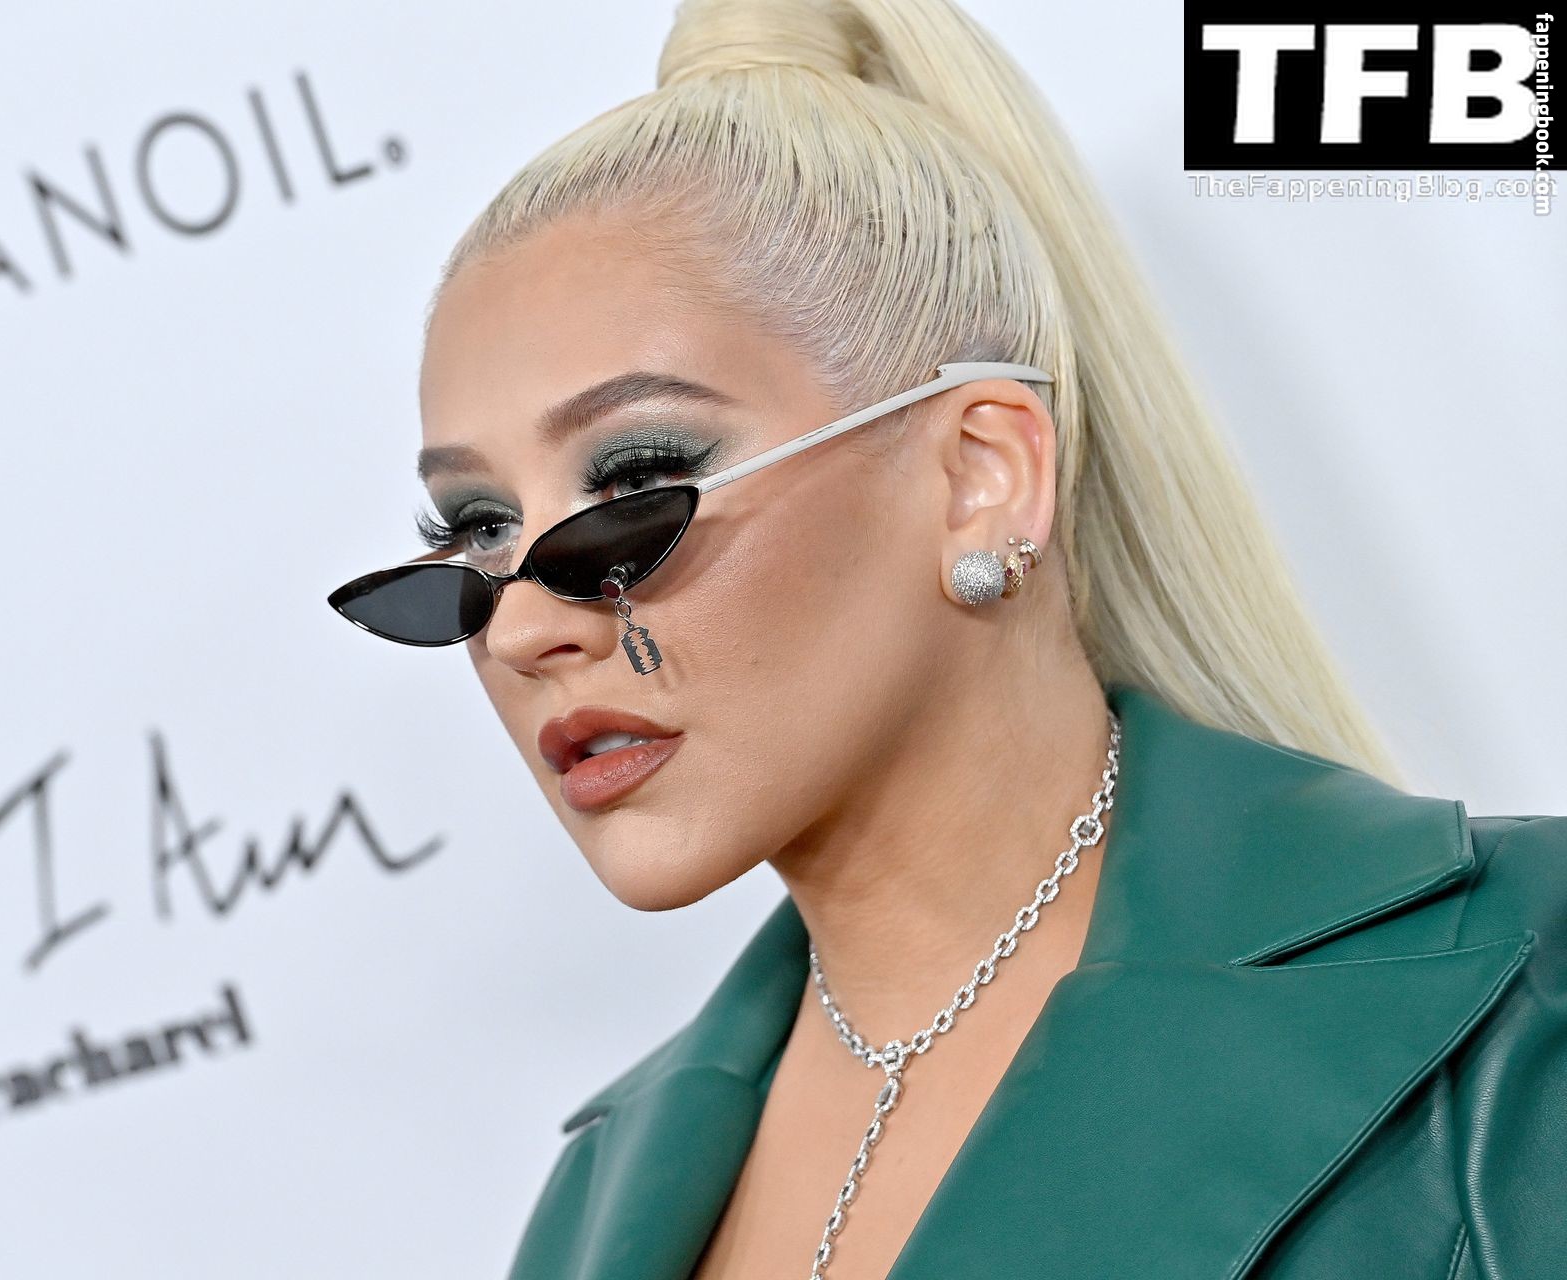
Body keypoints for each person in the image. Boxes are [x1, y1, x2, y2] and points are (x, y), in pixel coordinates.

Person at [323, 0, 1567, 1275]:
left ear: (981, 474)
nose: (523, 625)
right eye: (477, 528)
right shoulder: (594, 1211)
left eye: (634, 479)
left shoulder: (1531, 992)